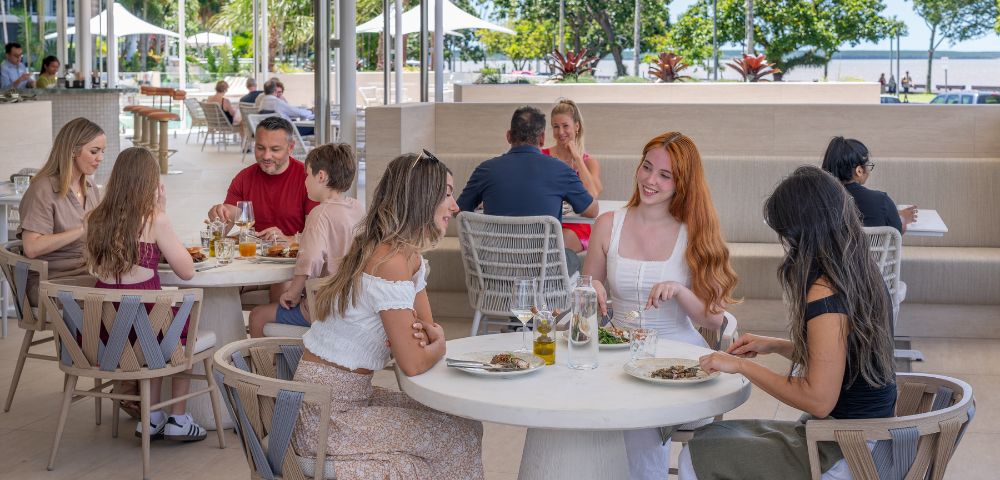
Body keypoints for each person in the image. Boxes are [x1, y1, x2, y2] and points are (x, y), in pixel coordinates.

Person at [677, 165, 897, 479]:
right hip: (872, 442)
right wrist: (775, 345)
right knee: (714, 438)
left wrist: (741, 366)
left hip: (849, 453)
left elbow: (818, 400)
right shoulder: (861, 270)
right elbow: (841, 360)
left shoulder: (826, 290)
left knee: (697, 453)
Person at [292, 150, 483, 478]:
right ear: (422, 197)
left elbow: (426, 328)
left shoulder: (406, 256)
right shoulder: (390, 262)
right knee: (454, 436)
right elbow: (415, 359)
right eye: (448, 194)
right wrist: (439, 346)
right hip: (324, 416)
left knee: (464, 425)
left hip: (347, 400)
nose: (455, 206)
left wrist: (428, 341)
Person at [581, 132, 738, 479]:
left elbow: (714, 320)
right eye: (647, 167)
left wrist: (680, 291)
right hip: (616, 352)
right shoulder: (608, 224)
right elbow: (587, 287)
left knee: (637, 408)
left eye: (665, 175)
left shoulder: (695, 232)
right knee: (580, 400)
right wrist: (591, 288)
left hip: (679, 358)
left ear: (682, 182)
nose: (650, 180)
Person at [84, 147, 208, 442]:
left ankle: (151, 417)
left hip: (103, 335)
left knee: (154, 323)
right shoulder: (154, 220)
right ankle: (178, 417)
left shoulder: (93, 219)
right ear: (151, 184)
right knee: (176, 324)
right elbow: (186, 271)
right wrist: (162, 213)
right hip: (145, 338)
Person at [457, 105, 597, 273]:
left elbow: (458, 211)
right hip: (544, 274)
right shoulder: (560, 170)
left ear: (508, 136)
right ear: (542, 138)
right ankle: (552, 300)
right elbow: (592, 211)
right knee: (571, 259)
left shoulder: (485, 170)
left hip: (496, 271)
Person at [248, 143, 365, 337]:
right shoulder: (357, 208)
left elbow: (310, 260)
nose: (305, 181)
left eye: (307, 175)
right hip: (353, 303)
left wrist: (293, 293)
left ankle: (264, 367)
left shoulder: (319, 213)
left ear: (321, 176)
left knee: (258, 315)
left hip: (323, 308)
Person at [18, 118, 105, 299]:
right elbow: (31, 248)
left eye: (102, 151)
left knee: (132, 288)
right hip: (50, 281)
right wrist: (81, 230)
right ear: (73, 150)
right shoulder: (43, 189)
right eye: (94, 151)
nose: (100, 158)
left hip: (85, 273)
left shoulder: (89, 186)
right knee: (118, 298)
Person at [208, 116, 318, 242]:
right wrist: (218, 218)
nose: (266, 156)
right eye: (260, 148)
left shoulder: (309, 179)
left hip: (296, 257)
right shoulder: (244, 178)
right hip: (254, 255)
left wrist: (289, 239)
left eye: (275, 149)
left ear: (290, 148)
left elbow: (318, 235)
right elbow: (226, 223)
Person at [542, 99, 602, 253]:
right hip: (546, 222)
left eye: (565, 126)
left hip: (576, 227)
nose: (560, 132)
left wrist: (577, 157)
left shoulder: (589, 162)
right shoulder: (542, 156)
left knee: (559, 241)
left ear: (577, 126)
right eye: (556, 127)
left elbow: (592, 195)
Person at [820, 136, 916, 233]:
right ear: (859, 170)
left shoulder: (817, 200)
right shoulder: (881, 201)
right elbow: (897, 232)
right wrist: (903, 219)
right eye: (869, 166)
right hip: (868, 249)